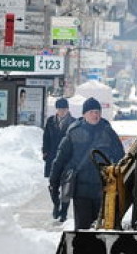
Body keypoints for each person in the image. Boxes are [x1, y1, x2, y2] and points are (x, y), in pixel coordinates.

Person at [49, 97, 125, 230]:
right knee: (83, 228)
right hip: (81, 189)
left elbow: (120, 157)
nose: (95, 115)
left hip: (103, 188)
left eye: (98, 112)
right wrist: (54, 183)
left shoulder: (108, 132)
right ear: (84, 114)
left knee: (101, 228)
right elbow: (60, 160)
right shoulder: (73, 132)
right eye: (91, 112)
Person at [42, 97, 76, 221]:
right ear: (56, 109)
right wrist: (45, 152)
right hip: (52, 157)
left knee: (66, 186)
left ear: (68, 109)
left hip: (67, 159)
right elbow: (46, 137)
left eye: (64, 109)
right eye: (60, 109)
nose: (62, 111)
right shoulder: (51, 121)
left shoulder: (74, 122)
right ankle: (56, 205)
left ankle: (64, 212)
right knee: (53, 185)